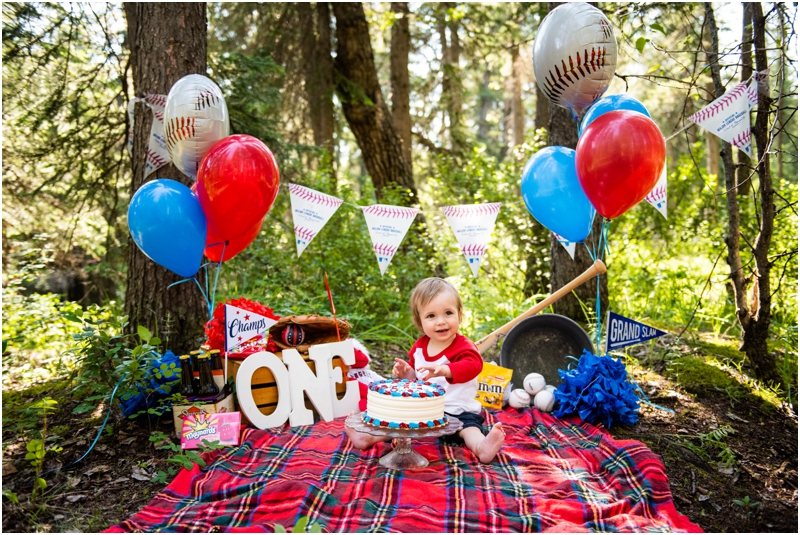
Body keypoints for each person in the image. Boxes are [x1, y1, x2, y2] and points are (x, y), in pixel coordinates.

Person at [345, 277, 505, 464]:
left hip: (458, 410)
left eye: (448, 313)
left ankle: (481, 447)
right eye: (431, 316)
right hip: (427, 412)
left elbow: (473, 366)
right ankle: (366, 437)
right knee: (401, 425)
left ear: (459, 315)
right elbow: (417, 379)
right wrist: (407, 373)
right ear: (419, 322)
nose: (441, 322)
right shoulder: (420, 347)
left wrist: (445, 370)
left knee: (469, 430)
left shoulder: (463, 346)